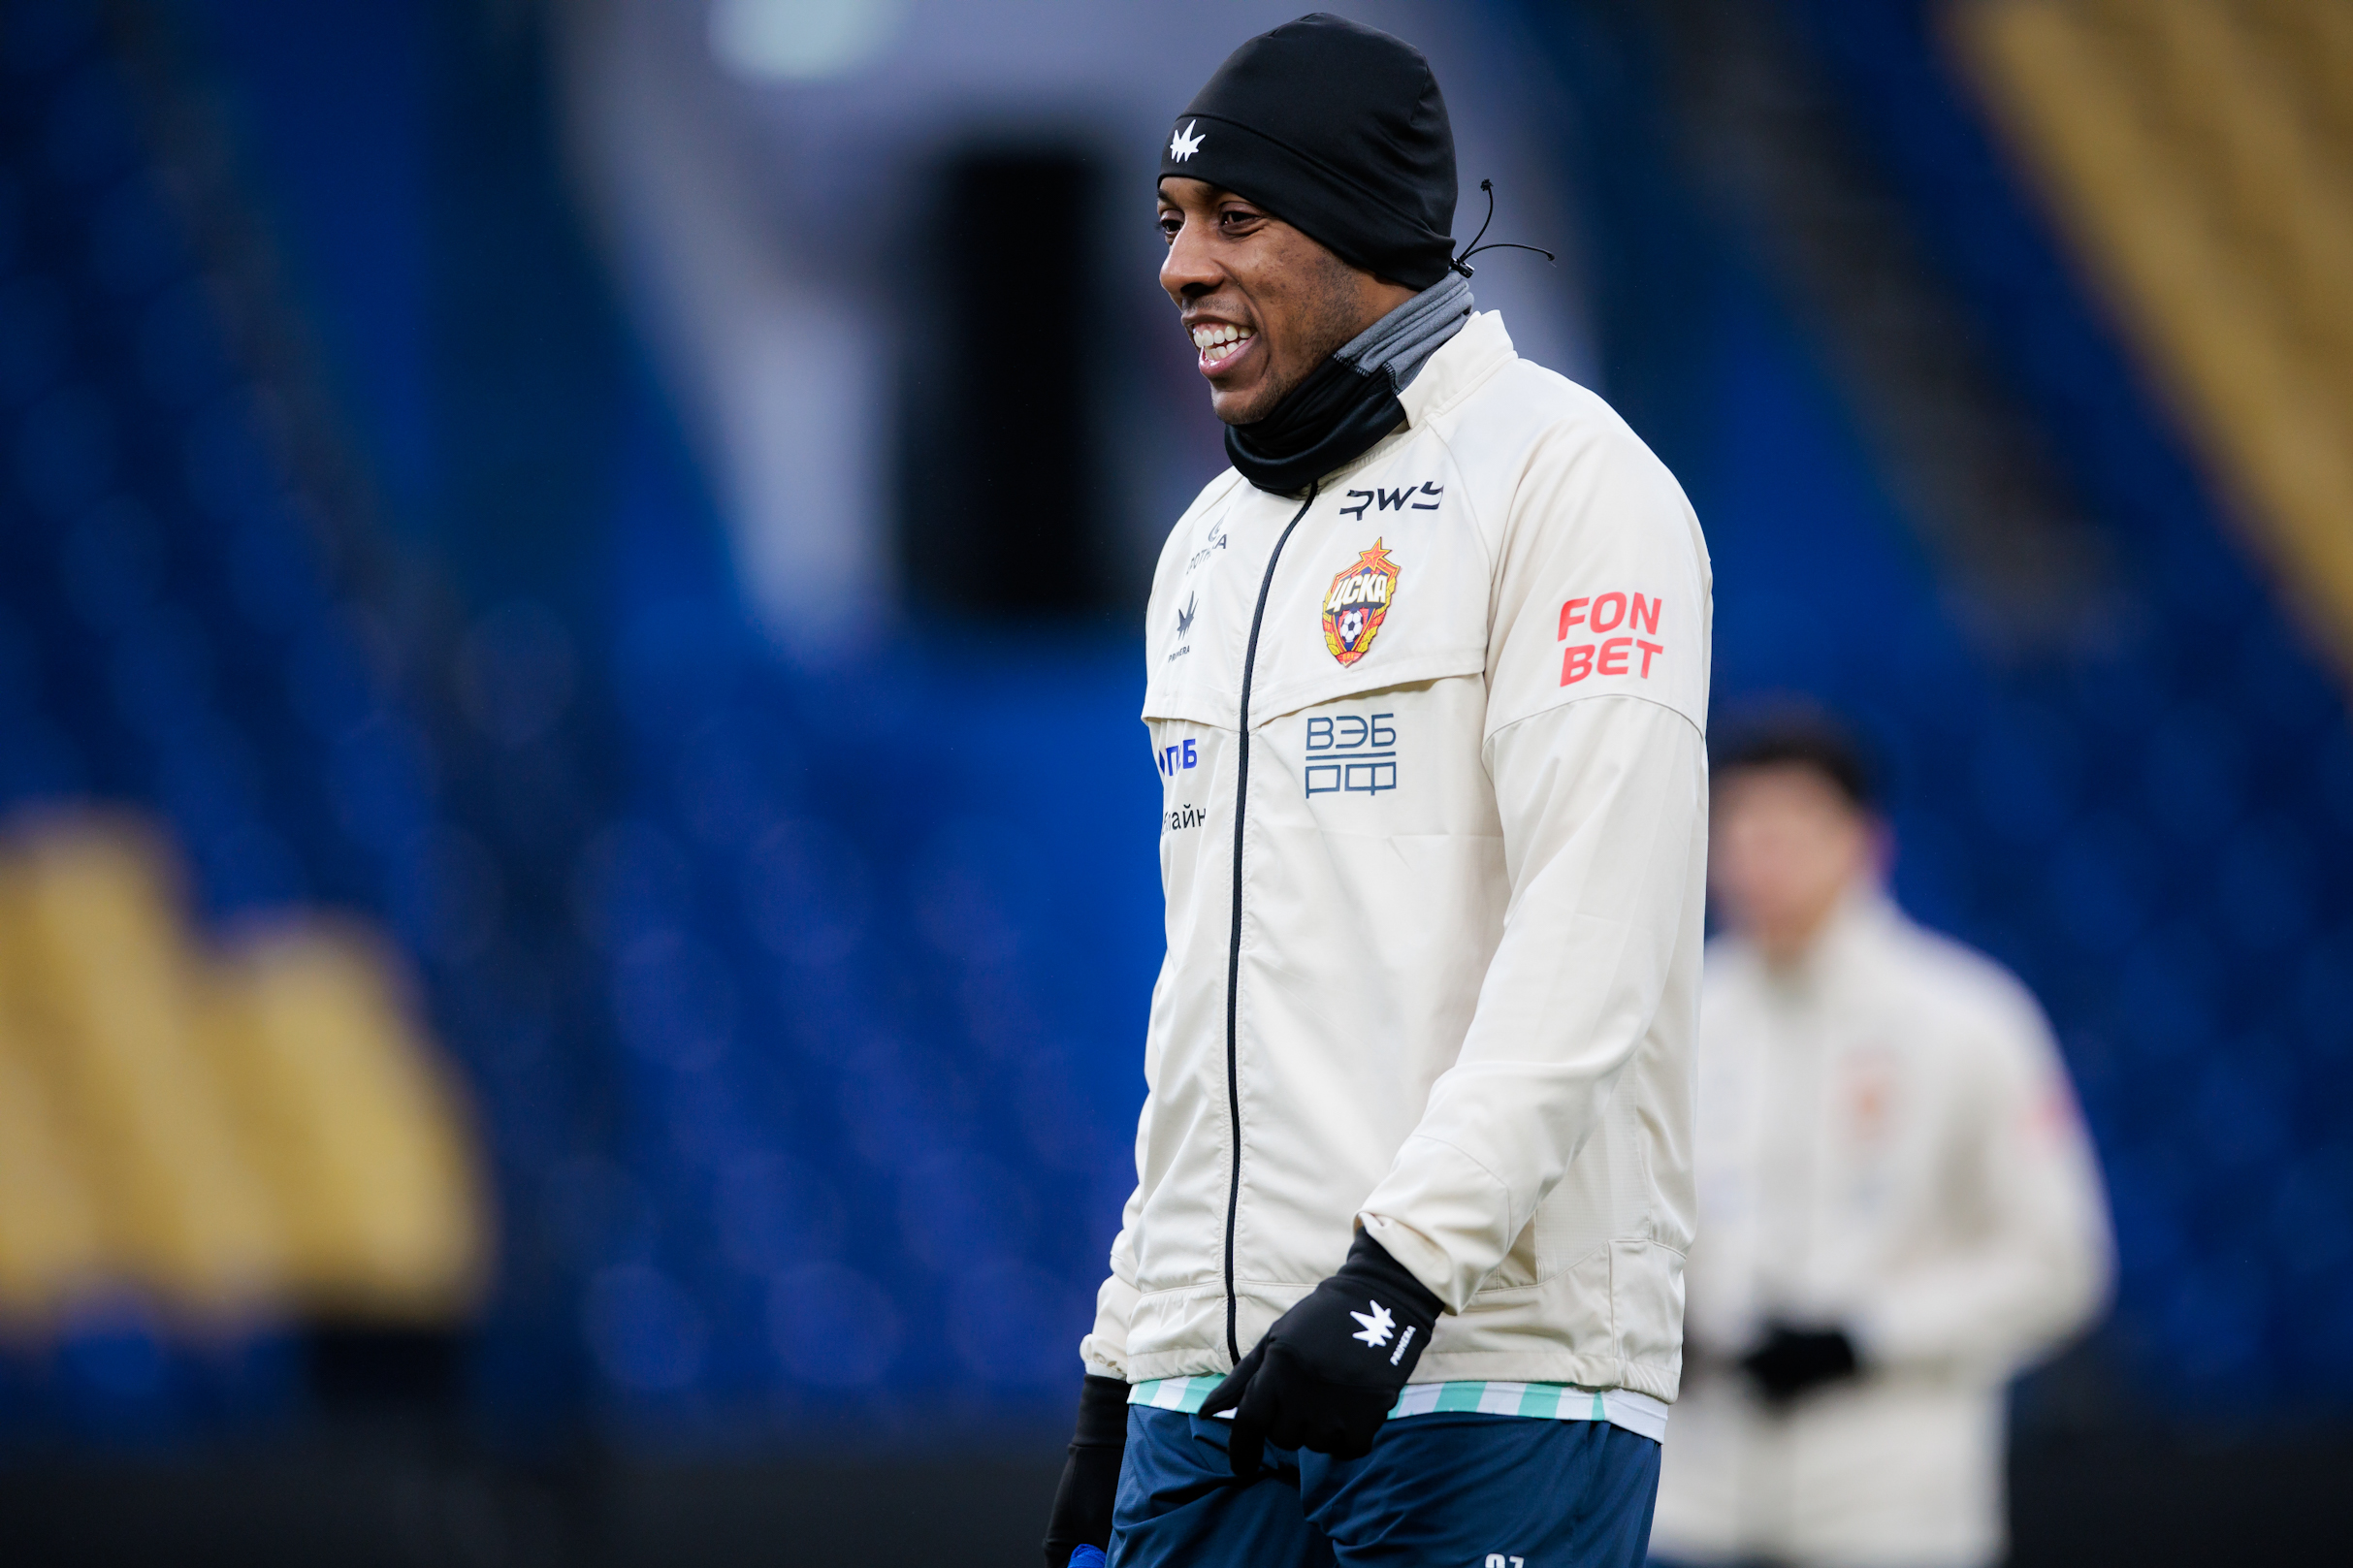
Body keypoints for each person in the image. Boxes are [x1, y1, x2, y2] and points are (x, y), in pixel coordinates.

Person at [1039, 15, 1714, 1567]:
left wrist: (1396, 1277)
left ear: (1365, 230)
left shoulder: (1569, 480)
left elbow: (1595, 936)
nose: (1178, 268)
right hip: (1207, 1386)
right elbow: (1203, 998)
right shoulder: (1206, 543)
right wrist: (1120, 1360)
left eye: (1234, 218)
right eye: (1170, 221)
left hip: (1485, 1373)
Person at [1646, 714, 2113, 1568]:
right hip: (1693, 1500)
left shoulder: (1970, 1019)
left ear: (1864, 841)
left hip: (1893, 1506)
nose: (1760, 860)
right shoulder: (1675, 1018)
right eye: (1740, 830)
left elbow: (2059, 1263)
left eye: (1790, 830)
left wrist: (1869, 1337)